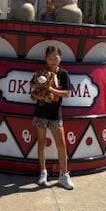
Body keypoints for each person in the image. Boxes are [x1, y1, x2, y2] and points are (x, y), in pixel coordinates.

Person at [30, 46, 74, 190]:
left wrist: (51, 89)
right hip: (40, 111)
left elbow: (67, 93)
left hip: (55, 114)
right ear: (45, 59)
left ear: (60, 58)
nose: (53, 60)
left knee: (61, 144)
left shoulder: (63, 73)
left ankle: (64, 175)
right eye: (50, 58)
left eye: (56, 57)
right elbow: (31, 84)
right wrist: (38, 85)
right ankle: (43, 172)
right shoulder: (41, 71)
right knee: (41, 143)